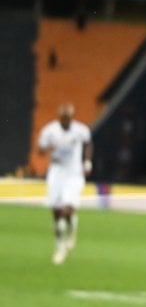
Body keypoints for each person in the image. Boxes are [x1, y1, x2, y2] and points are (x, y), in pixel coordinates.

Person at [37, 103, 92, 265]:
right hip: (56, 172)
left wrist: (87, 161)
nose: (66, 119)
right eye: (63, 117)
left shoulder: (80, 130)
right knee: (56, 211)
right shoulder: (50, 131)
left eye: (69, 116)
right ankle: (60, 244)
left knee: (66, 208)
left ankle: (71, 230)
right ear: (59, 116)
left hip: (74, 173)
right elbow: (39, 149)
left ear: (72, 116)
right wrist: (47, 148)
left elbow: (88, 143)